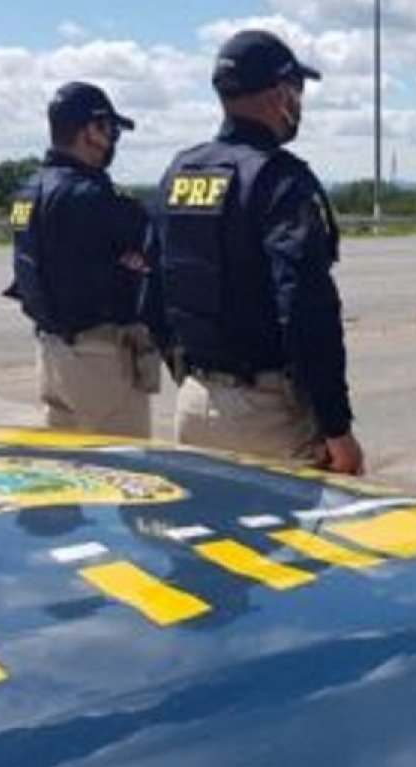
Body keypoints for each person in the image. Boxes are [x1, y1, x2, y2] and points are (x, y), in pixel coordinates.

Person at [153, 29, 364, 475]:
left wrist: (190, 372)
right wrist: (337, 427)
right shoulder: (279, 180)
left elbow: (151, 287)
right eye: (298, 90)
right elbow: (306, 309)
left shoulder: (180, 170)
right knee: (286, 543)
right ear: (280, 92)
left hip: (193, 404)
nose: (300, 103)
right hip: (267, 417)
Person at [5, 81, 162, 438]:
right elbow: (151, 244)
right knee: (132, 476)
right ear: (92, 130)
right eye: (111, 130)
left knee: (65, 473)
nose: (113, 140)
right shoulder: (88, 194)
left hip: (52, 354)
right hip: (100, 363)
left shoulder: (29, 191)